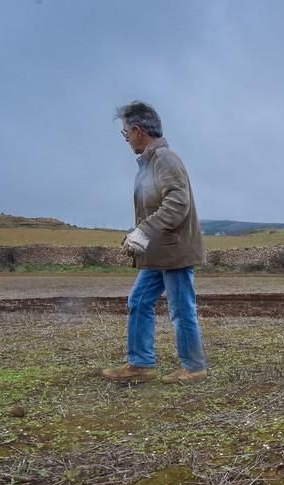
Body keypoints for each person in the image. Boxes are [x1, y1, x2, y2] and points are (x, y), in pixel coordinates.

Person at [102, 101, 208, 384]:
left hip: (174, 251)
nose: (126, 139)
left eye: (126, 133)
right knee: (139, 301)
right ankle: (140, 364)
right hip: (158, 251)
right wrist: (141, 235)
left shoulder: (165, 160)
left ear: (138, 131)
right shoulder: (151, 163)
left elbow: (177, 203)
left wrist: (143, 231)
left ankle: (194, 367)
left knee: (181, 308)